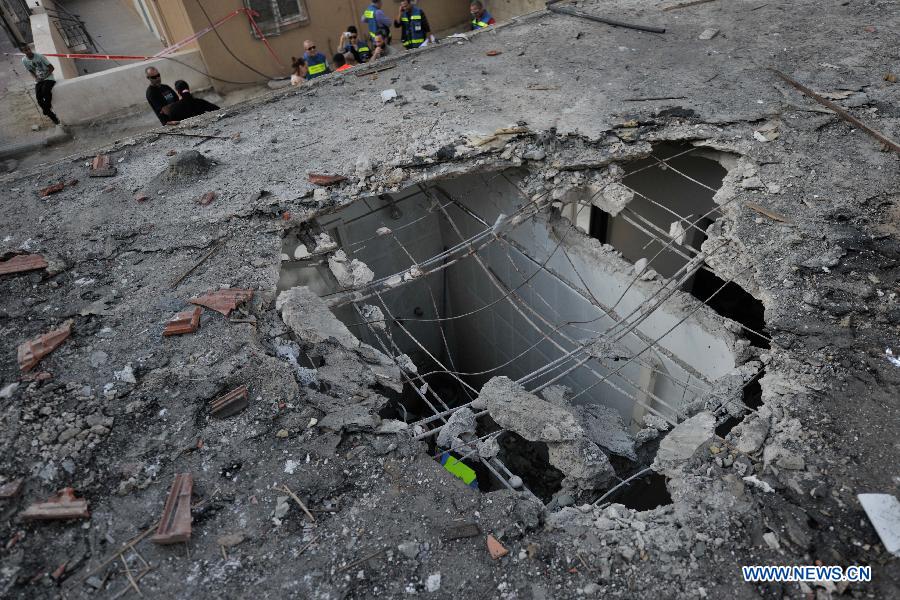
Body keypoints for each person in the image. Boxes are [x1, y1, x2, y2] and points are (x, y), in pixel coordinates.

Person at [20, 45, 59, 125]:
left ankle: (46, 109)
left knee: (45, 91)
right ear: (23, 52)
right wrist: (36, 77)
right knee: (38, 97)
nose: (28, 51)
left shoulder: (40, 56)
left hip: (49, 78)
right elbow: (30, 70)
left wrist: (46, 76)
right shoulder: (24, 60)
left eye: (28, 49)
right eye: (26, 50)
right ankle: (52, 117)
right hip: (39, 79)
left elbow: (51, 68)